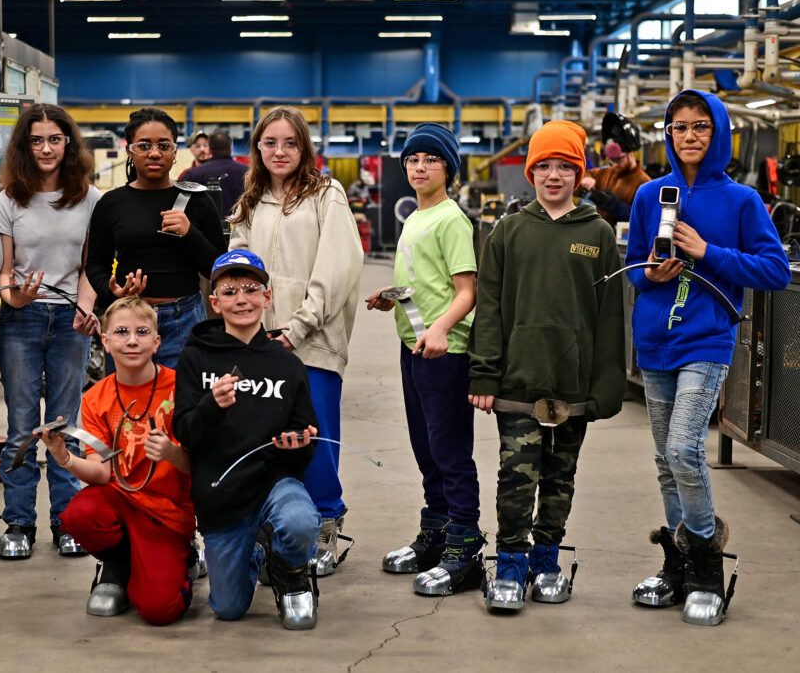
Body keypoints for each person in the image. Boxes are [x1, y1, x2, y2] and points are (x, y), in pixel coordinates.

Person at [626, 90, 790, 623]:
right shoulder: (652, 195)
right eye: (679, 127)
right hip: (655, 341)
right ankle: (676, 564)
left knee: (683, 449)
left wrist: (706, 252)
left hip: (707, 341)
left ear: (718, 132)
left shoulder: (741, 200)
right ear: (668, 134)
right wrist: (650, 274)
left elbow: (776, 271)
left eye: (700, 126)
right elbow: (633, 268)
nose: (689, 136)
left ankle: (706, 569)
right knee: (664, 463)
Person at [468, 120, 626, 611]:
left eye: (565, 167)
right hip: (518, 382)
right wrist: (484, 373)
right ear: (530, 172)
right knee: (517, 476)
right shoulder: (508, 233)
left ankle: (547, 559)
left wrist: (605, 386)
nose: (554, 176)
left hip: (572, 387)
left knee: (561, 476)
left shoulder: (598, 234)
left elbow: (609, 320)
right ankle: (511, 562)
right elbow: (489, 307)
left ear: (580, 175)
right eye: (544, 167)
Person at [228, 106, 363, 577]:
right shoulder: (249, 202)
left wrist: (299, 326)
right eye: (270, 143)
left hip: (314, 340)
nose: (280, 151)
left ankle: (326, 522)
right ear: (258, 149)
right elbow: (238, 271)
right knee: (268, 439)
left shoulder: (327, 194)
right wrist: (250, 331)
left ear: (304, 147)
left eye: (289, 143)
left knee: (316, 436)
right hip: (262, 343)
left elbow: (338, 266)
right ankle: (277, 526)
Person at [173, 249, 321, 630]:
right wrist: (212, 406)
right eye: (230, 290)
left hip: (274, 483)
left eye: (251, 289)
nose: (241, 299)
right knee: (229, 607)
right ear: (214, 302)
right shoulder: (195, 358)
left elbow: (307, 434)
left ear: (267, 297)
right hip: (222, 496)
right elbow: (185, 432)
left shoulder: (287, 364)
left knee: (301, 523)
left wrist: (299, 446)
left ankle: (289, 571)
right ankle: (258, 549)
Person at [366, 123, 482, 597]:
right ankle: (435, 531)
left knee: (450, 452)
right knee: (424, 446)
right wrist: (393, 297)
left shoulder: (452, 219)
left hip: (444, 351)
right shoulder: (416, 216)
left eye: (430, 159)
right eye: (412, 159)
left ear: (448, 168)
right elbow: (425, 282)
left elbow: (466, 292)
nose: (419, 167)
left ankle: (465, 546)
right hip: (414, 345)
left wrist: (439, 328)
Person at [39, 296, 195, 625]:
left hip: (165, 512)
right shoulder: (95, 398)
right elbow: (100, 472)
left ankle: (186, 558)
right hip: (121, 500)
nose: (133, 340)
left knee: (159, 611)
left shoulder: (181, 389)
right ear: (106, 343)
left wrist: (170, 452)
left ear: (157, 342)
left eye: (142, 332)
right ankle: (118, 564)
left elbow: (201, 466)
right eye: (122, 332)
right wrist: (64, 457)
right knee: (79, 514)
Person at [0, 104, 102, 559]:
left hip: (71, 322)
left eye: (54, 139)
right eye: (35, 140)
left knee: (64, 424)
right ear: (23, 146)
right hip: (21, 320)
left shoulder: (90, 198)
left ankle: (67, 520)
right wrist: (13, 298)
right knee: (21, 426)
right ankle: (18, 522)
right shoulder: (7, 201)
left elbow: (90, 268)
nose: (45, 148)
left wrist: (87, 311)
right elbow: (3, 271)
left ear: (69, 144)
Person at [86, 108, 225, 369]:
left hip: (183, 320)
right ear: (129, 150)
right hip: (128, 320)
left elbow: (218, 268)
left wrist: (189, 233)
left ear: (175, 151)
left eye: (164, 145)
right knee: (126, 405)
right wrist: (110, 291)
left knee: (183, 404)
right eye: (144, 145)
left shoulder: (198, 201)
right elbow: (95, 264)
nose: (154, 153)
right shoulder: (111, 203)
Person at [578, 112, 651, 229]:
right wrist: (585, 179)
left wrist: (617, 207)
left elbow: (647, 219)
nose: (615, 165)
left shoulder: (645, 183)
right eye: (612, 161)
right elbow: (582, 174)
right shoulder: (607, 173)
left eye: (620, 159)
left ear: (631, 152)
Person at [182, 128, 248, 218]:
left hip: (205, 230)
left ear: (209, 149)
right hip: (241, 227)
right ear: (231, 148)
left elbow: (181, 207)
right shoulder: (248, 172)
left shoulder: (193, 175)